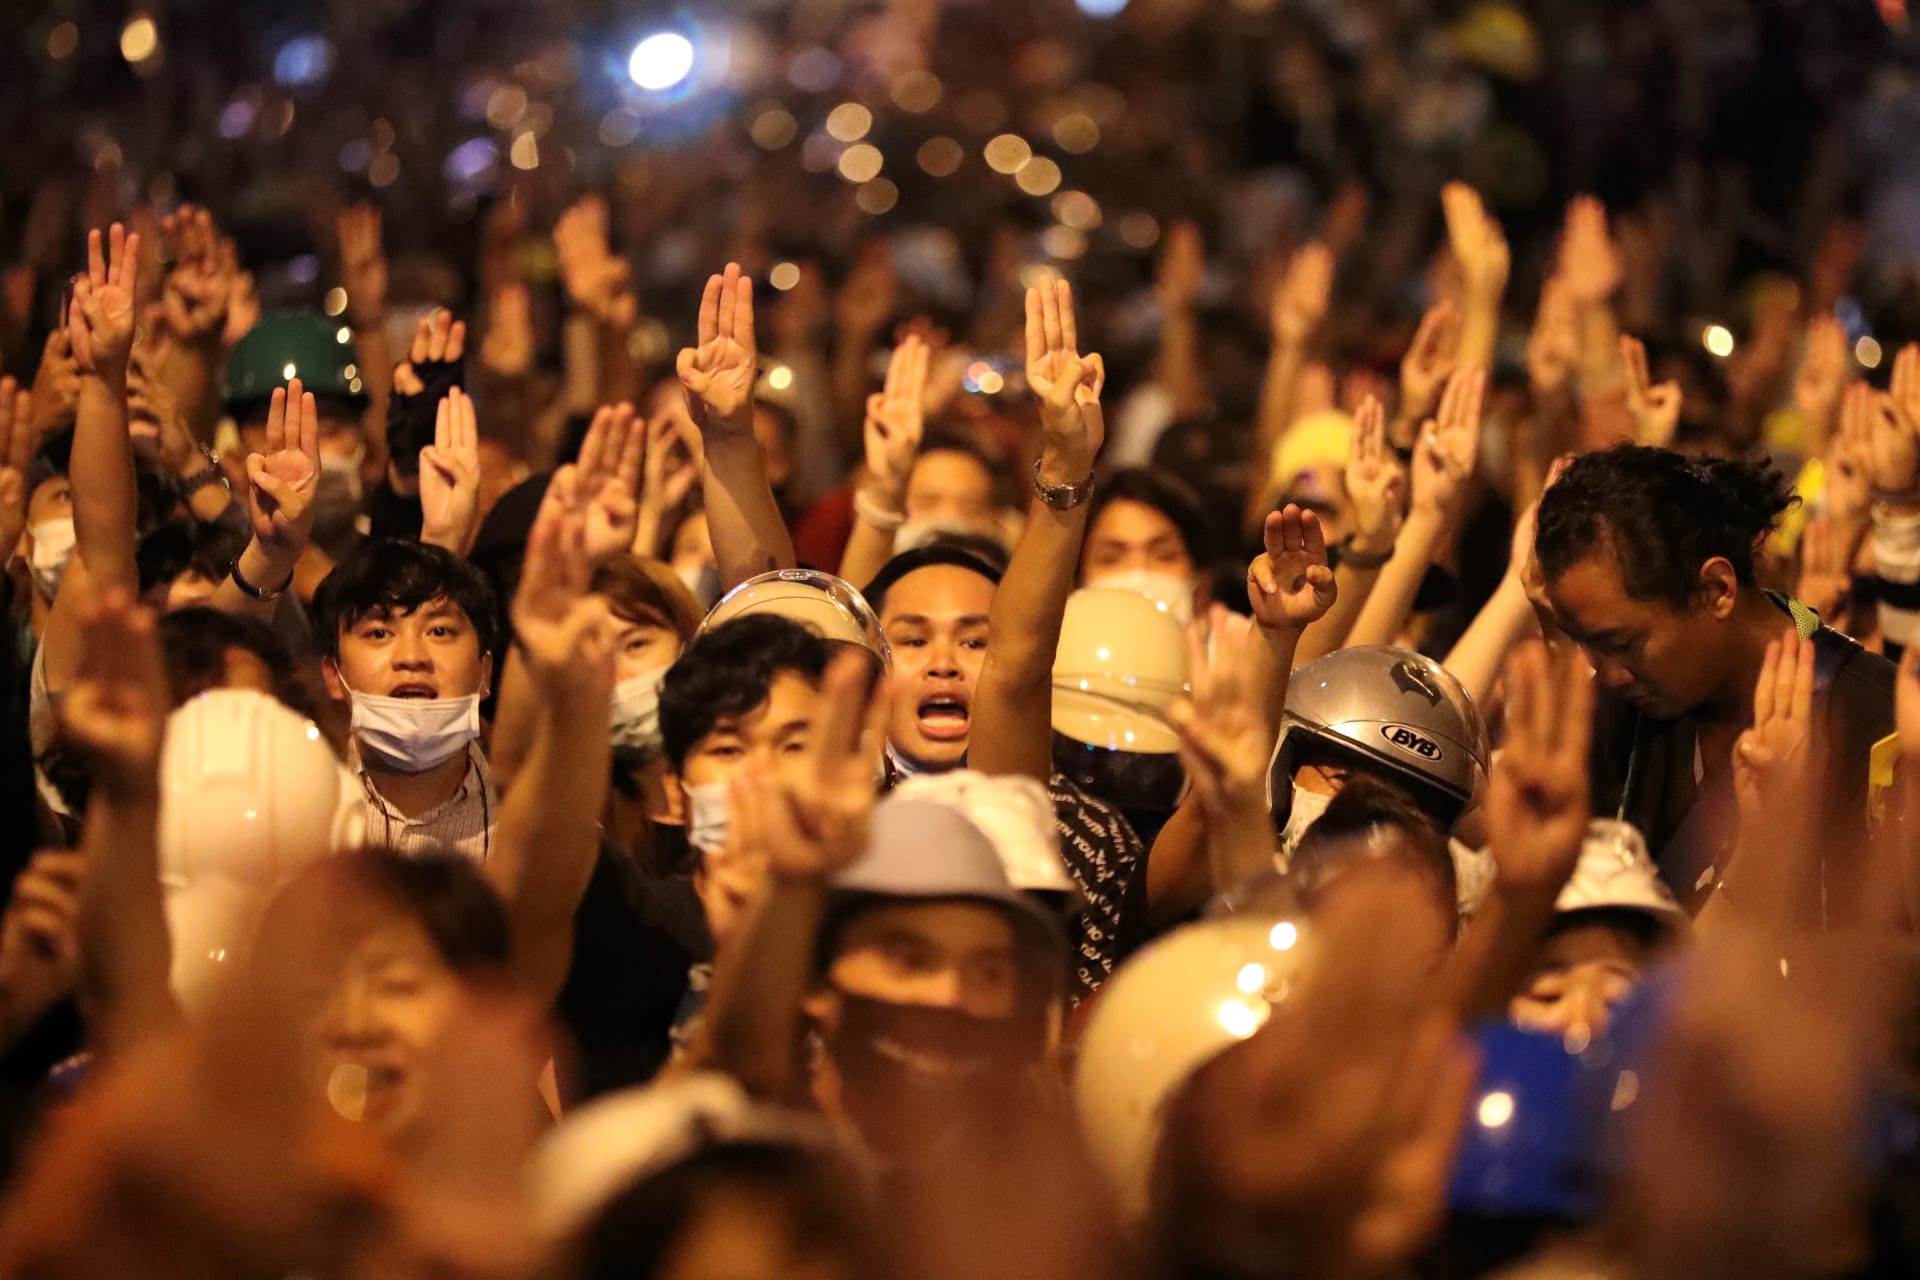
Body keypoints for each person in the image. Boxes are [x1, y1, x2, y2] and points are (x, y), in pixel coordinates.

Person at [1535, 445, 1896, 914]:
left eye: (1621, 643)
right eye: (1583, 642)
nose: (1606, 672)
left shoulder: (1878, 719)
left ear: (1716, 591)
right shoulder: (1612, 713)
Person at [310, 538, 500, 862]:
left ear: (485, 672)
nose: (412, 658)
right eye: (380, 633)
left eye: (439, 631)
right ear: (333, 674)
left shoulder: (537, 823)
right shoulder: (298, 810)